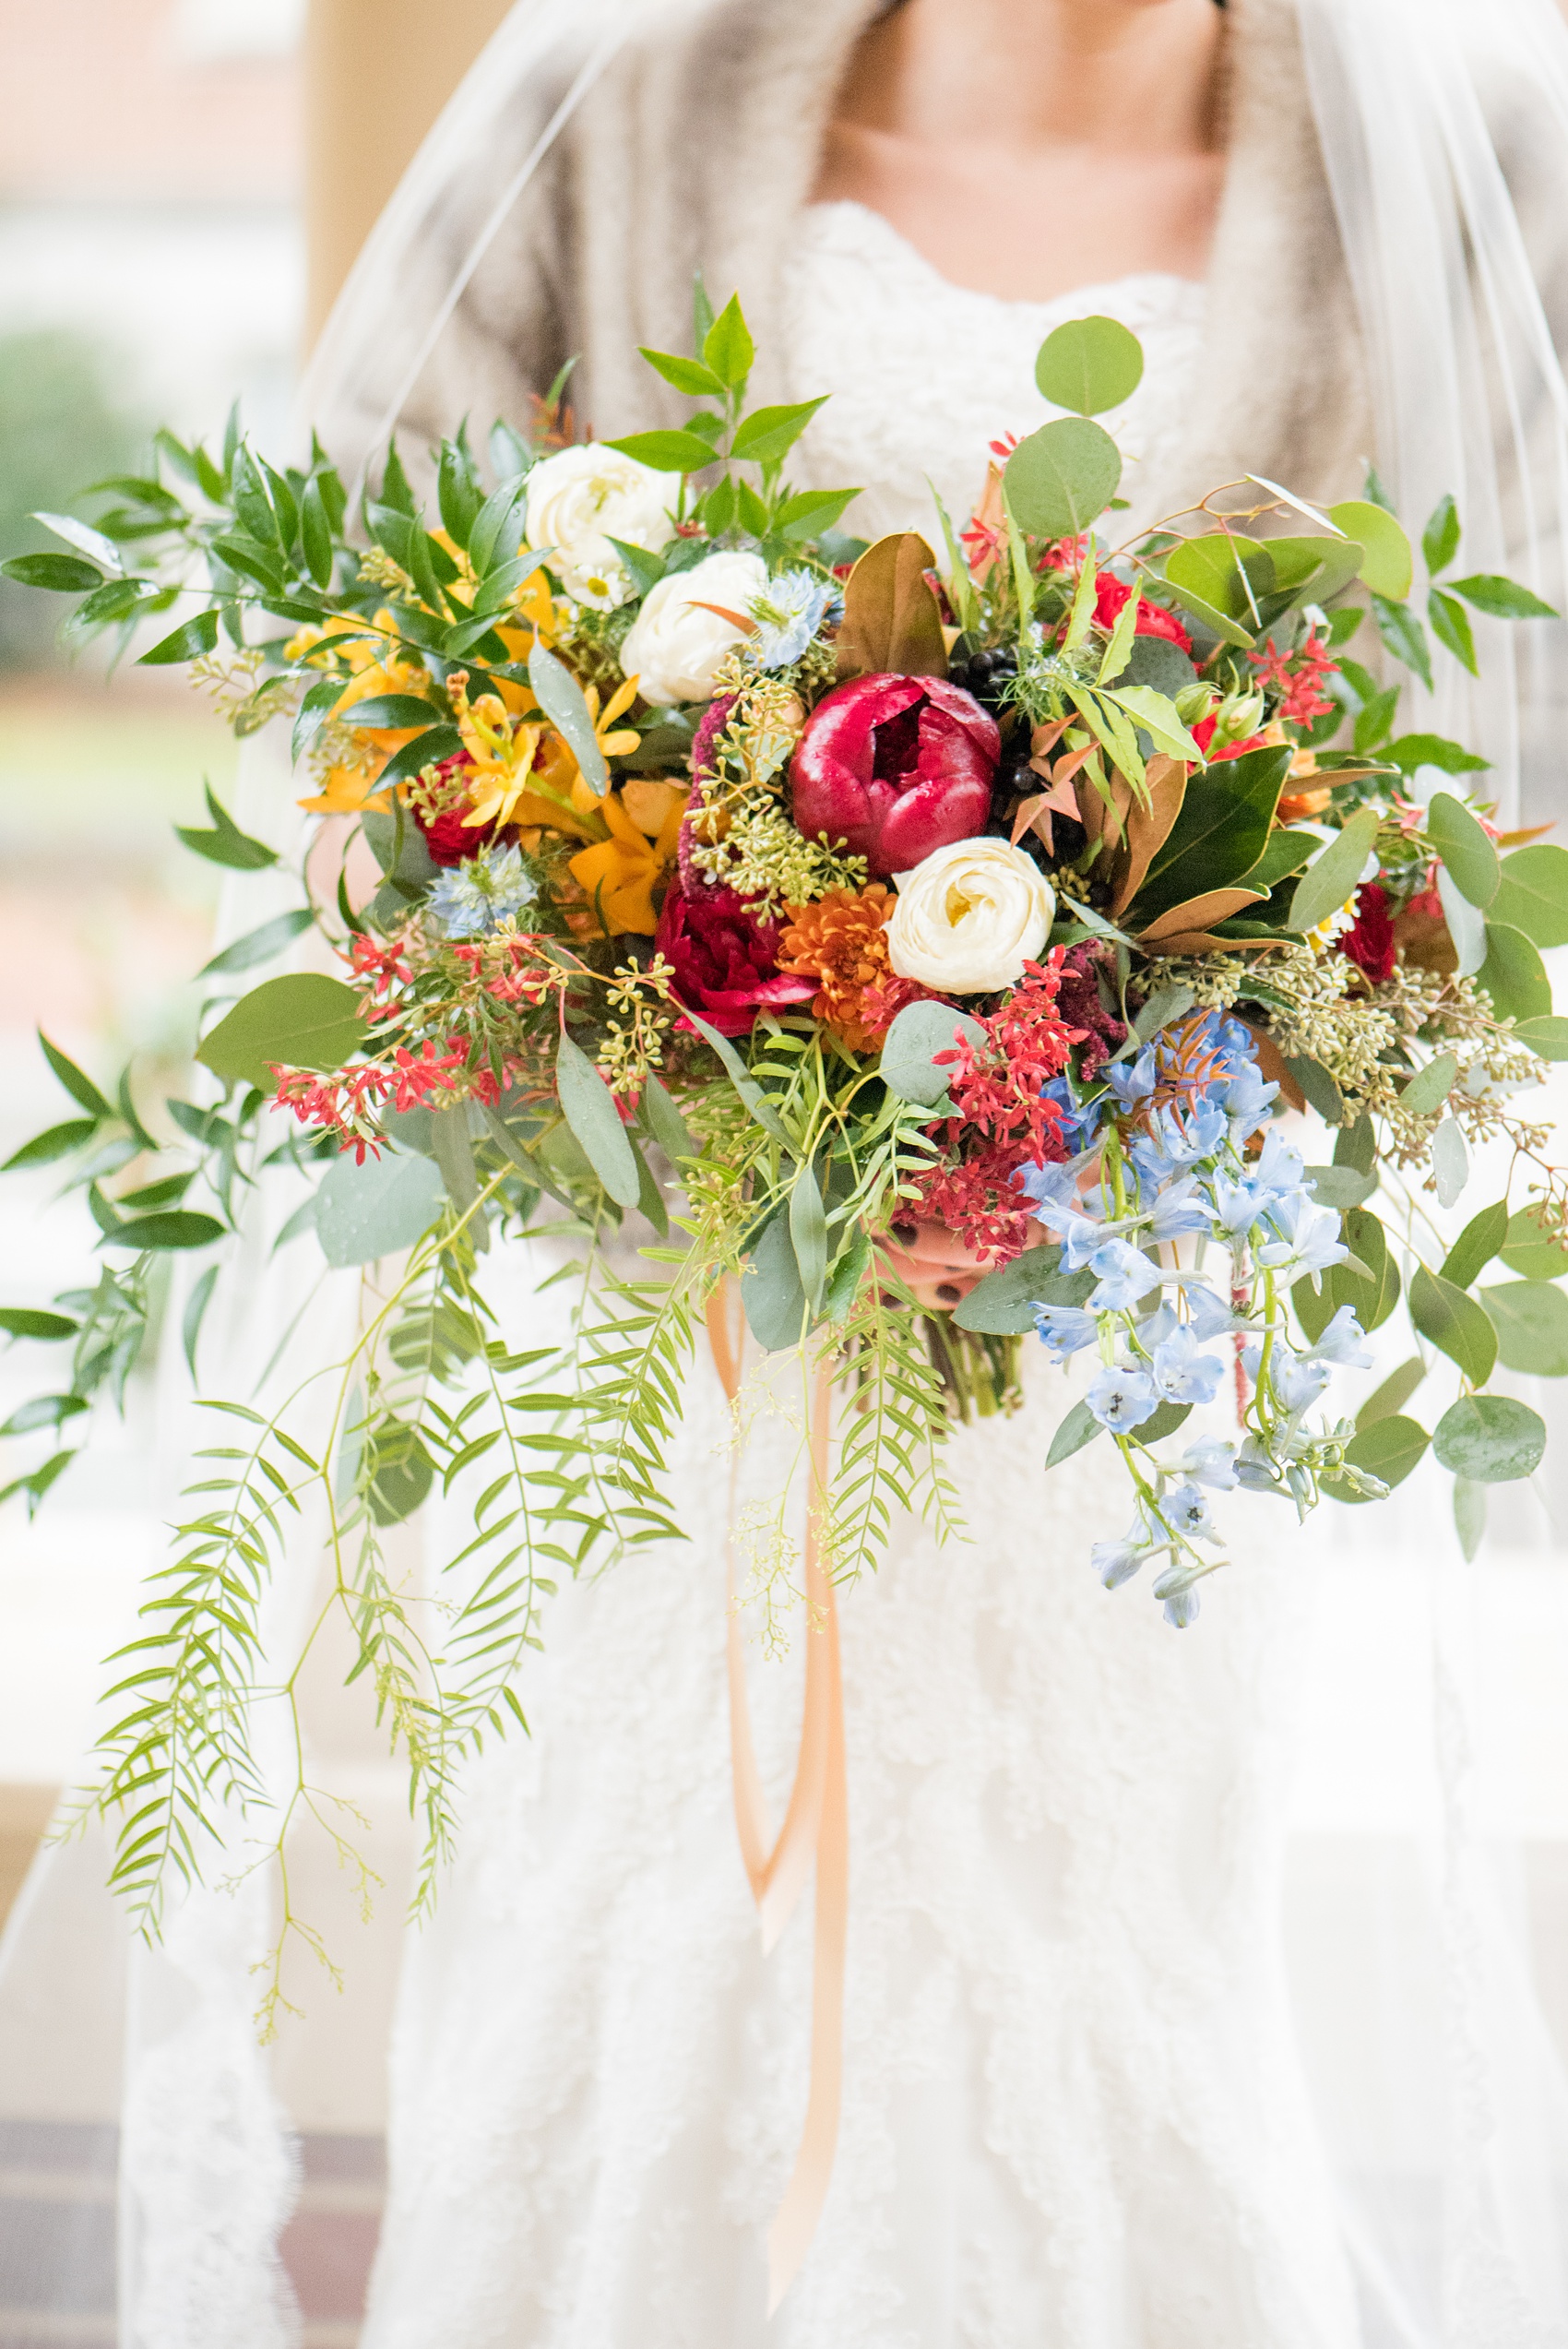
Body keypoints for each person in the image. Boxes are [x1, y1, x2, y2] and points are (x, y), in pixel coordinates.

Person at [5, 3, 1568, 2344]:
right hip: (666, 1330)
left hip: (1108, 1385)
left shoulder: (1466, 154)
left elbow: (1506, 767)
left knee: (1086, 1982)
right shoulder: (635, 77)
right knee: (636, 1968)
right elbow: (354, 617)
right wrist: (607, 977)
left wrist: (1114, 1087)